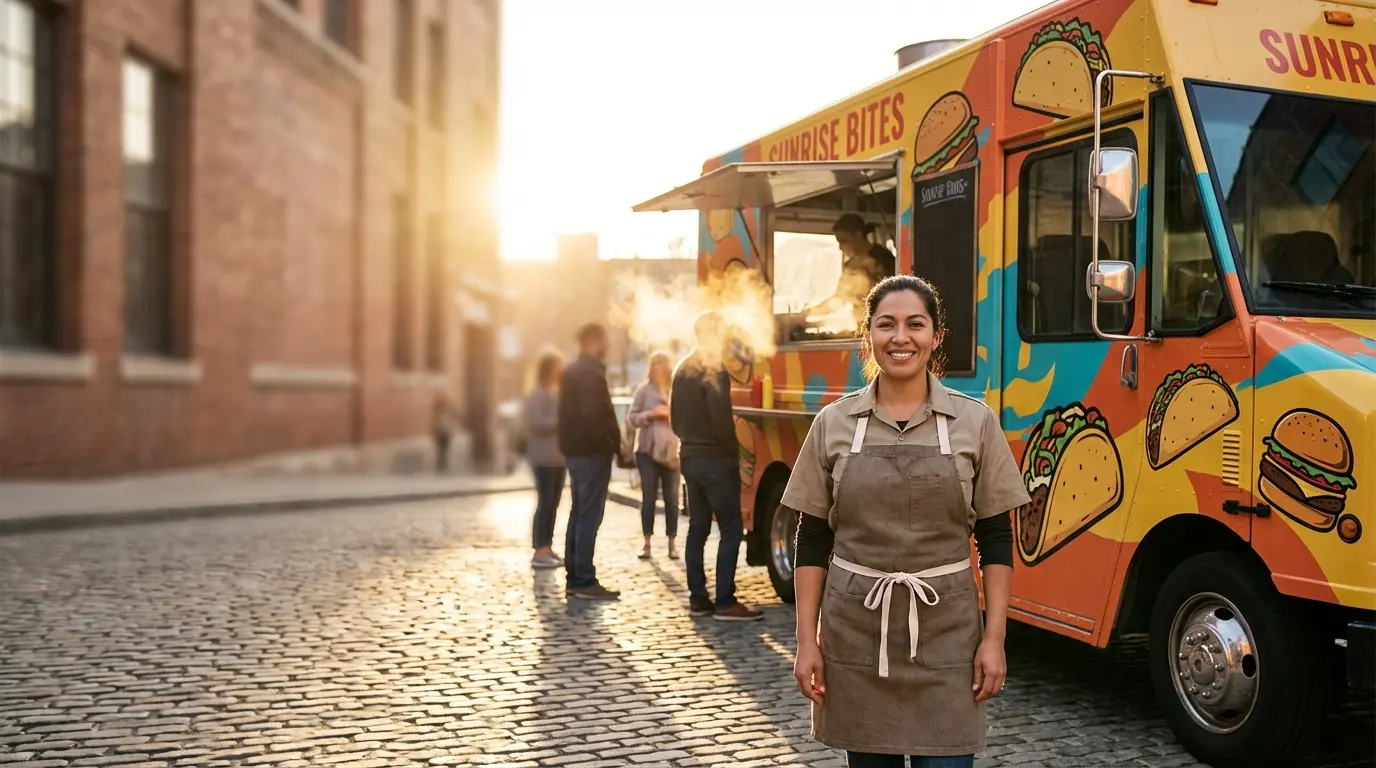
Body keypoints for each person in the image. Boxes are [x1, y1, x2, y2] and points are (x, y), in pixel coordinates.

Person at [785, 275, 1030, 767]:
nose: (901, 337)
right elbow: (812, 539)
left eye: (915, 324)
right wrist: (805, 643)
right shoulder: (832, 424)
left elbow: (997, 539)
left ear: (935, 336)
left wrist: (995, 638)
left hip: (948, 642)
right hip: (857, 638)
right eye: (886, 325)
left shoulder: (974, 423)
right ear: (868, 335)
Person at [670, 311, 763, 622]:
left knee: (697, 528)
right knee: (730, 528)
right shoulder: (714, 368)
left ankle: (699, 598)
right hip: (715, 460)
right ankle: (725, 601)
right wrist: (731, 450)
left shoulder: (682, 368)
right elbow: (721, 419)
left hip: (690, 457)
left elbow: (674, 420)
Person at [558, 322, 622, 600]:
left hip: (577, 451)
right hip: (590, 452)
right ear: (594, 341)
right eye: (604, 340)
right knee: (588, 515)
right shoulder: (589, 373)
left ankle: (576, 577)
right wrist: (609, 445)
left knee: (579, 513)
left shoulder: (575, 370)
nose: (607, 345)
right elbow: (593, 414)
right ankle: (583, 579)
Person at [628, 351, 681, 561]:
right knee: (648, 497)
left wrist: (669, 413)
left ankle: (672, 544)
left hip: (672, 451)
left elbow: (683, 415)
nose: (656, 368)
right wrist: (649, 414)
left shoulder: (675, 389)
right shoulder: (643, 391)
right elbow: (632, 417)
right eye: (653, 364)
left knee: (672, 499)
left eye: (660, 364)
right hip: (648, 451)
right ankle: (647, 543)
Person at [524, 348, 567, 570]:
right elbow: (536, 422)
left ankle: (547, 546)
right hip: (542, 458)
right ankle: (538, 550)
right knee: (544, 502)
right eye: (558, 367)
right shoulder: (537, 394)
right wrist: (560, 421)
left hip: (559, 459)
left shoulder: (558, 392)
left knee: (554, 503)